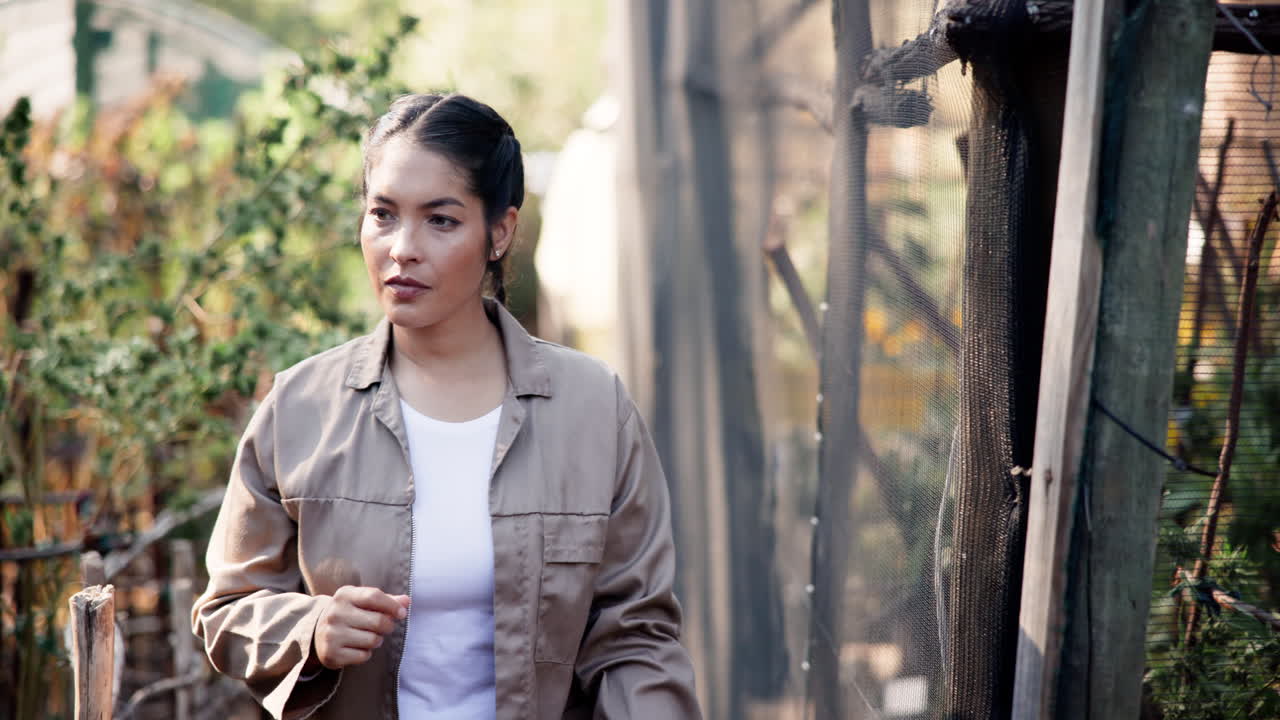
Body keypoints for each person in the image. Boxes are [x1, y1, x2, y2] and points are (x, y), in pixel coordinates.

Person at [192, 93, 700, 720]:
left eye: (441, 220)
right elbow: (226, 610)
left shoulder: (594, 410)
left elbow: (635, 637)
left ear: (500, 231)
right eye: (383, 214)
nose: (402, 248)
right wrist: (313, 628)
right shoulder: (299, 409)